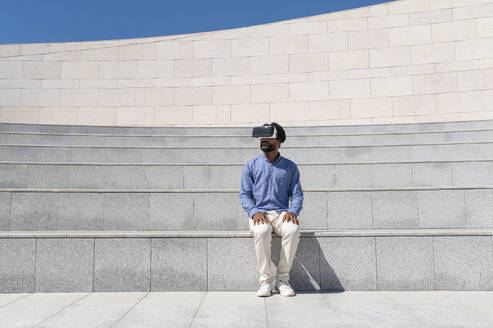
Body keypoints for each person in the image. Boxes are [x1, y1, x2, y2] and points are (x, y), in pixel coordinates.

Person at [239, 122, 304, 297]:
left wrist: (293, 211)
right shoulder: (251, 165)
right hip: (259, 212)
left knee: (293, 229)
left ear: (279, 142)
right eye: (262, 137)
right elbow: (244, 195)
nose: (264, 140)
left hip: (282, 212)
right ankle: (265, 281)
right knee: (261, 231)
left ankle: (282, 280)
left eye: (268, 137)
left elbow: (297, 194)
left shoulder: (290, 167)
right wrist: (254, 212)